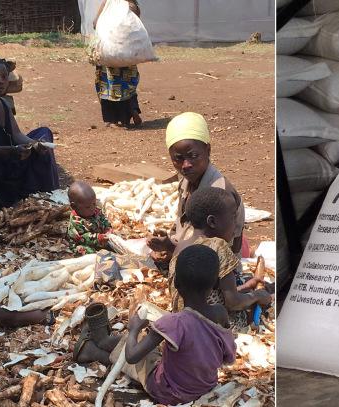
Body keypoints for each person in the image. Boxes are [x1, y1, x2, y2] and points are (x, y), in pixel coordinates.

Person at [74, 245, 236, 405]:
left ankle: (94, 350)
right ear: (215, 284)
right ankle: (102, 343)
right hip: (204, 387)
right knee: (158, 347)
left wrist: (133, 329)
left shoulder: (174, 323)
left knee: (138, 343)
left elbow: (132, 357)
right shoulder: (220, 313)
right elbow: (229, 356)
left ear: (176, 283)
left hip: (168, 391)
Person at [170, 187, 272, 331]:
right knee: (265, 307)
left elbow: (206, 292)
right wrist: (257, 295)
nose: (236, 224)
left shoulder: (181, 246)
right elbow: (233, 302)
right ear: (212, 222)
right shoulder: (218, 246)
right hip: (213, 325)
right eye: (232, 217)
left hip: (183, 322)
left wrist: (245, 288)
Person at [147, 112, 245, 262]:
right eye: (178, 158)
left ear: (208, 151)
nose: (186, 165)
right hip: (187, 254)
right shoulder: (185, 183)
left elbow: (217, 252)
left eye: (193, 156)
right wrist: (170, 241)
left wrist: (172, 248)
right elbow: (182, 224)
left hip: (214, 269)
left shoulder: (219, 195)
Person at [0, 57, 60, 207]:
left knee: (44, 134)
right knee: (36, 160)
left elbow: (17, 135)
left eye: (4, 77)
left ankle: (49, 194)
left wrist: (35, 144)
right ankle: (45, 196)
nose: (0, 81)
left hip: (6, 156)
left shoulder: (2, 103)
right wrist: (12, 151)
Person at [93, 0, 143, 127]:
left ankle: (113, 119)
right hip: (127, 54)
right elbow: (137, 28)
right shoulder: (132, 6)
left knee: (108, 84)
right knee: (127, 85)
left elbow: (95, 24)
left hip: (108, 52)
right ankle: (131, 110)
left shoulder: (108, 3)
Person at [67, 180, 112, 255]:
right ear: (74, 206)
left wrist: (108, 228)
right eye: (87, 207)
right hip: (84, 243)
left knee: (112, 245)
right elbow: (83, 238)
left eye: (94, 204)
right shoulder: (76, 221)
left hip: (100, 239)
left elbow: (104, 220)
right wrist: (98, 237)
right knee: (88, 251)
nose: (92, 208)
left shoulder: (96, 211)